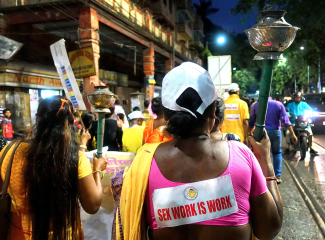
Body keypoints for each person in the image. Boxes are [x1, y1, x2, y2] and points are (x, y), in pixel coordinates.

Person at [114, 62, 283, 240]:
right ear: (213, 114)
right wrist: (265, 160)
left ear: (166, 116)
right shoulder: (241, 155)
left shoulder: (144, 164)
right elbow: (268, 230)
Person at [0, 96, 107, 239]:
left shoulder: (9, 151)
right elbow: (92, 205)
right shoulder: (74, 158)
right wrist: (97, 170)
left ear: (37, 119)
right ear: (68, 123)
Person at [250, 96, 298, 183]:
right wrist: (293, 134)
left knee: (261, 153)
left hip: (261, 132)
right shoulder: (278, 104)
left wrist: (250, 131)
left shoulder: (257, 105)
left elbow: (252, 120)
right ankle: (277, 176)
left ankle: (261, 176)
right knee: (277, 153)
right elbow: (286, 120)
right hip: (275, 131)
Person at [285, 92, 318, 156]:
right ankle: (287, 147)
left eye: (299, 97)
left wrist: (311, 114)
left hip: (303, 122)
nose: (298, 98)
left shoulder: (304, 104)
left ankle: (311, 148)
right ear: (294, 98)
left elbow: (310, 110)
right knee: (288, 133)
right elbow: (286, 111)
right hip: (293, 122)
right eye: (296, 97)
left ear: (301, 98)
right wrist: (288, 115)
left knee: (310, 133)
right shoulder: (290, 104)